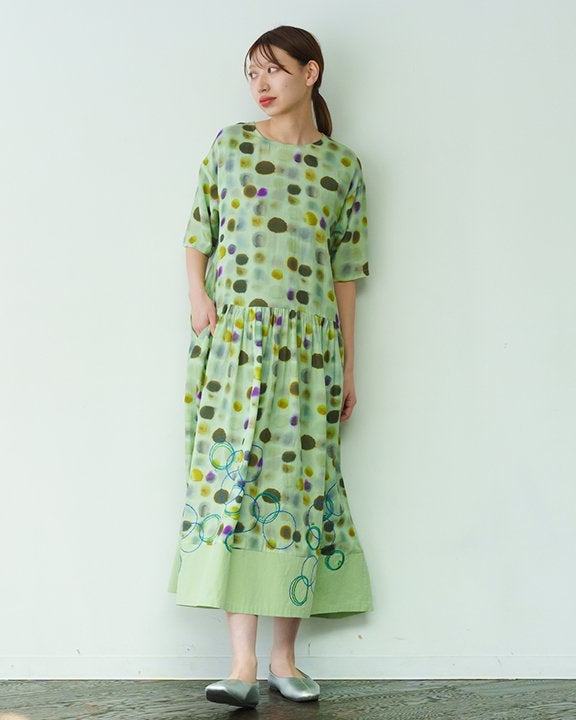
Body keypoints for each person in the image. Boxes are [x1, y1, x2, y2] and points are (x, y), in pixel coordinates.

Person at [167, 25, 374, 708]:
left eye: (274, 70)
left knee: (298, 494)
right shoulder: (231, 146)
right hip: (234, 348)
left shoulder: (342, 167)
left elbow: (347, 273)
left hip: (311, 356)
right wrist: (200, 301)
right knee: (232, 486)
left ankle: (284, 659)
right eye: (252, 73)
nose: (260, 84)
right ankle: (240, 664)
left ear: (310, 73)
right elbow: (198, 232)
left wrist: (348, 364)